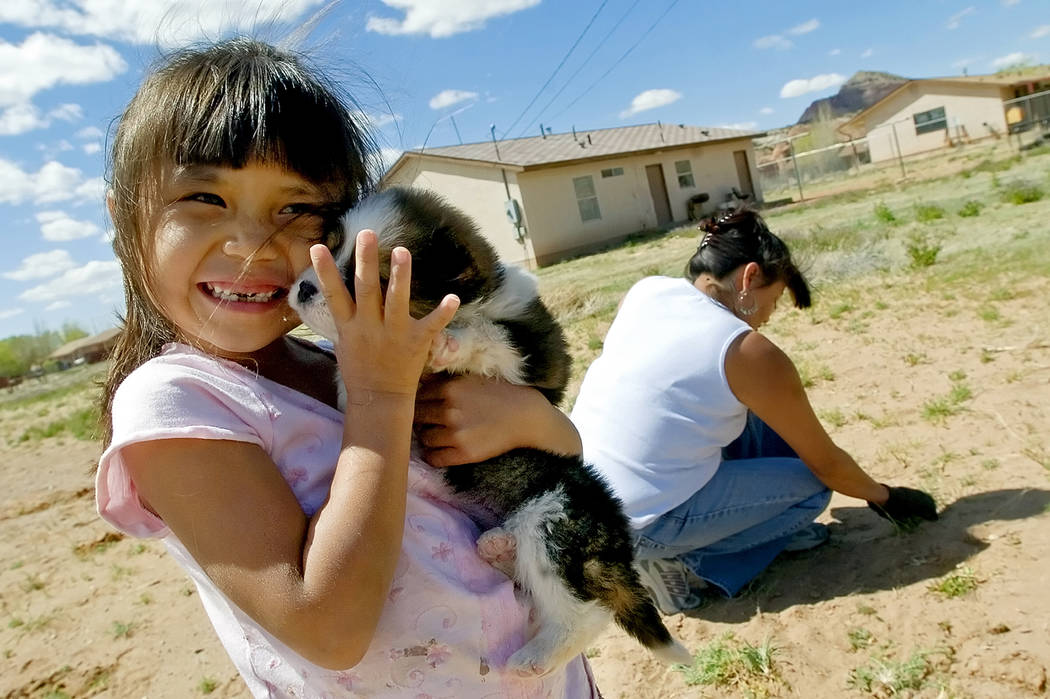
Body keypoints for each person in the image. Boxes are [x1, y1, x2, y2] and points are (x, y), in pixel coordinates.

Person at [95, 38, 598, 697]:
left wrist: (536, 421)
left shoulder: (345, 357)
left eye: (297, 209)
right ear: (124, 217)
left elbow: (559, 462)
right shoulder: (175, 401)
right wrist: (381, 396)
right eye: (206, 199)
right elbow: (328, 628)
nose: (252, 244)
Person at [569, 208, 937, 615]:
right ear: (748, 278)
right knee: (812, 488)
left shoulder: (646, 292)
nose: (769, 316)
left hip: (578, 504)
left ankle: (755, 532)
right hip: (635, 529)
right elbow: (827, 464)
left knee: (755, 416)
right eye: (774, 299)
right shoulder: (744, 350)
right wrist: (886, 497)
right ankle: (682, 565)